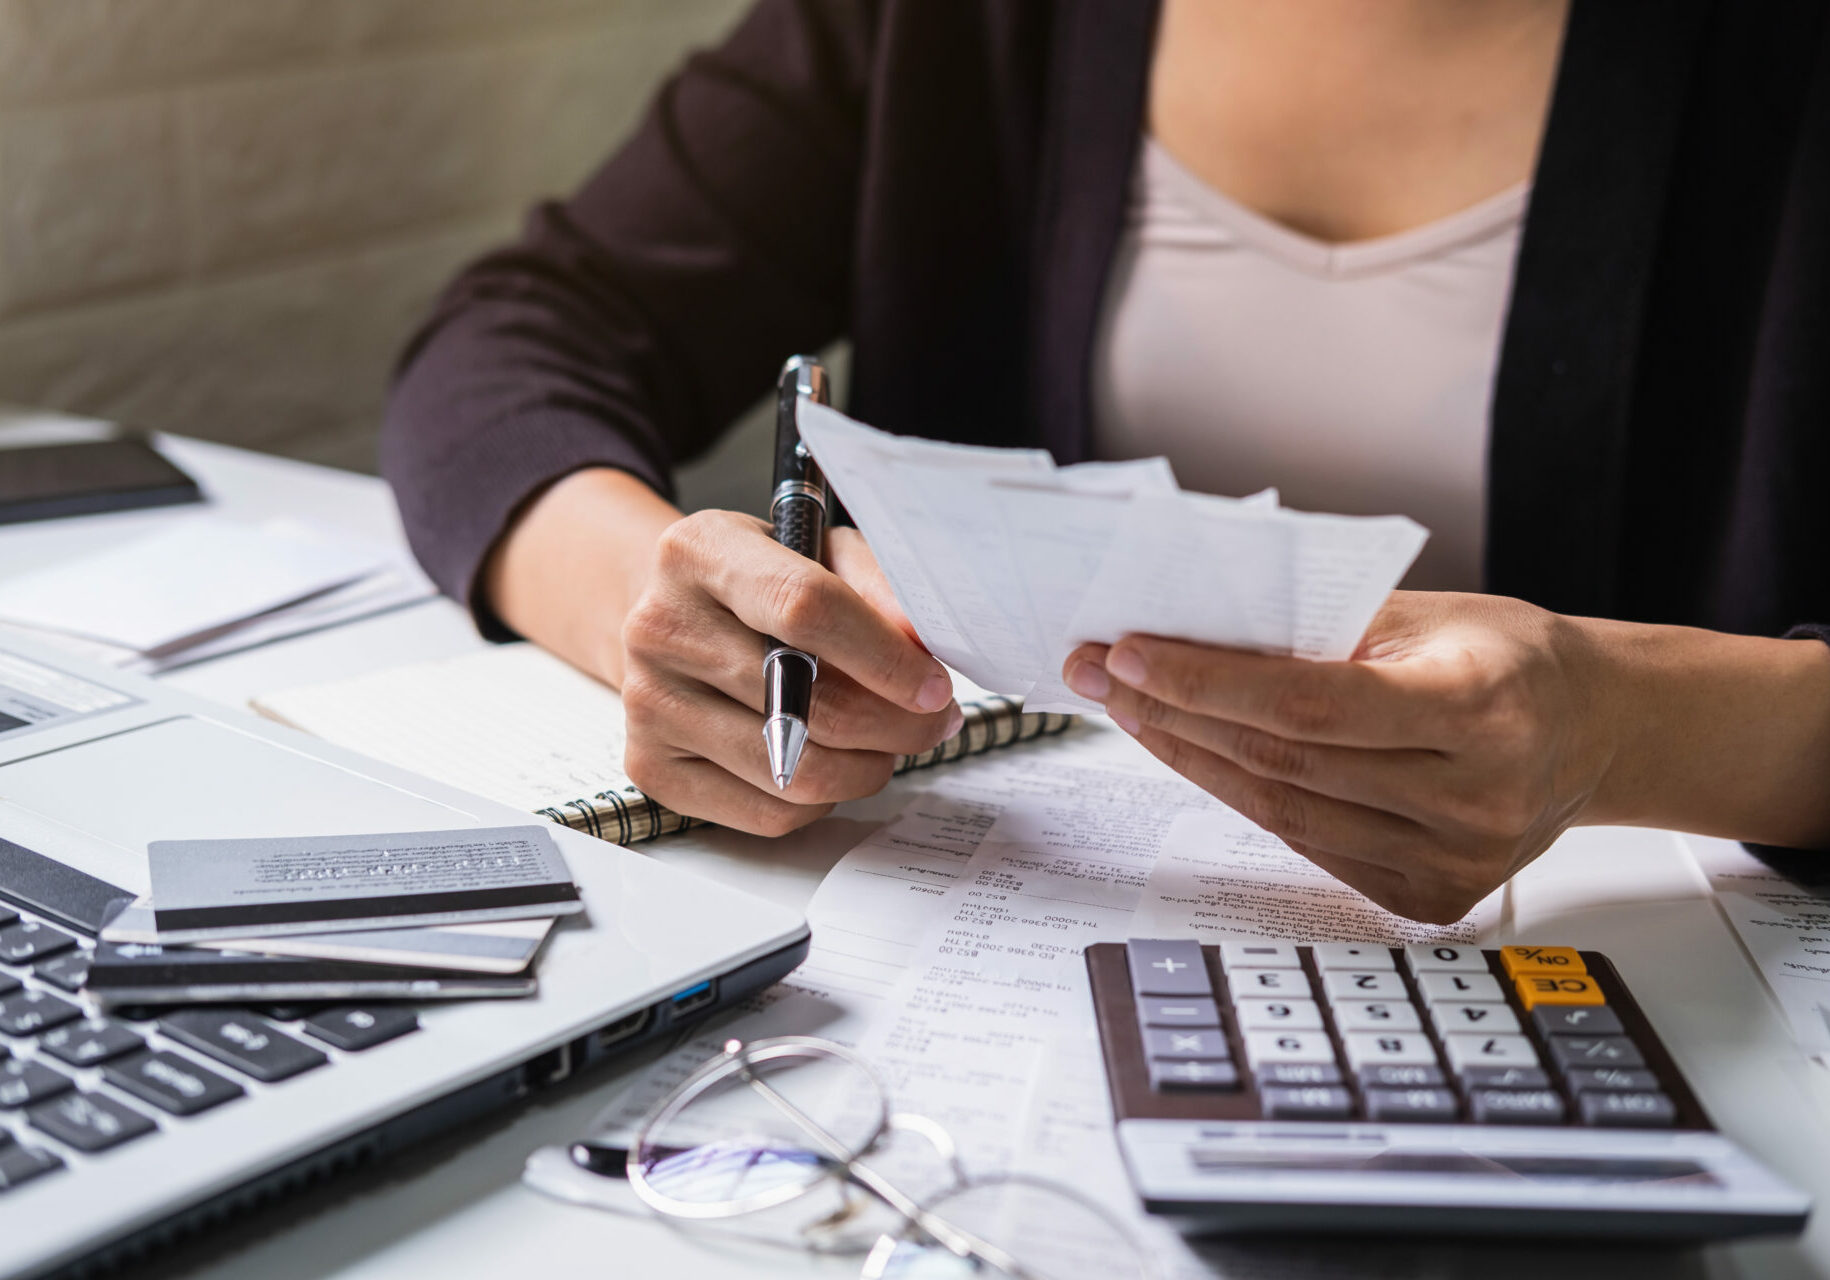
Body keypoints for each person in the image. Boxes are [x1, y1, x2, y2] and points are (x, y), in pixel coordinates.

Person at [382, 0, 1830, 924]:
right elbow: (516, 340)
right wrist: (659, 602)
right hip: (1011, 951)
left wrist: (1621, 730)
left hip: (1657, 992)